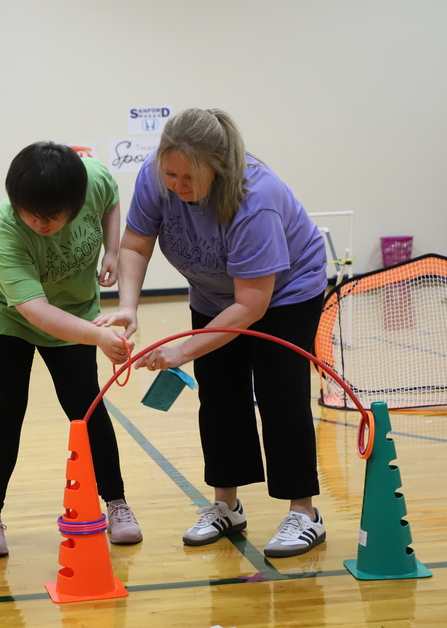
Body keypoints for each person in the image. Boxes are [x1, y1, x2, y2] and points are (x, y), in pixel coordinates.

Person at [95, 108, 327, 558]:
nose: (177, 187)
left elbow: (252, 304)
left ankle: (305, 512)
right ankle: (227, 505)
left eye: (189, 178)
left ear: (218, 171)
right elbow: (137, 243)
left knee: (281, 394)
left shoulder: (255, 199)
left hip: (284, 294)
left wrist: (184, 350)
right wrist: (127, 307)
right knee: (219, 394)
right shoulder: (155, 178)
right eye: (171, 174)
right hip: (214, 292)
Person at [0, 141, 142, 558]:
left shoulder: (92, 178)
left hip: (75, 307)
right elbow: (36, 311)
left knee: (85, 404)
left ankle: (116, 503)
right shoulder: (6, 228)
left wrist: (113, 250)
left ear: (75, 203)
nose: (38, 223)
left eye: (51, 216)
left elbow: (113, 198)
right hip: (4, 312)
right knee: (5, 405)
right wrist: (97, 335)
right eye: (30, 214)